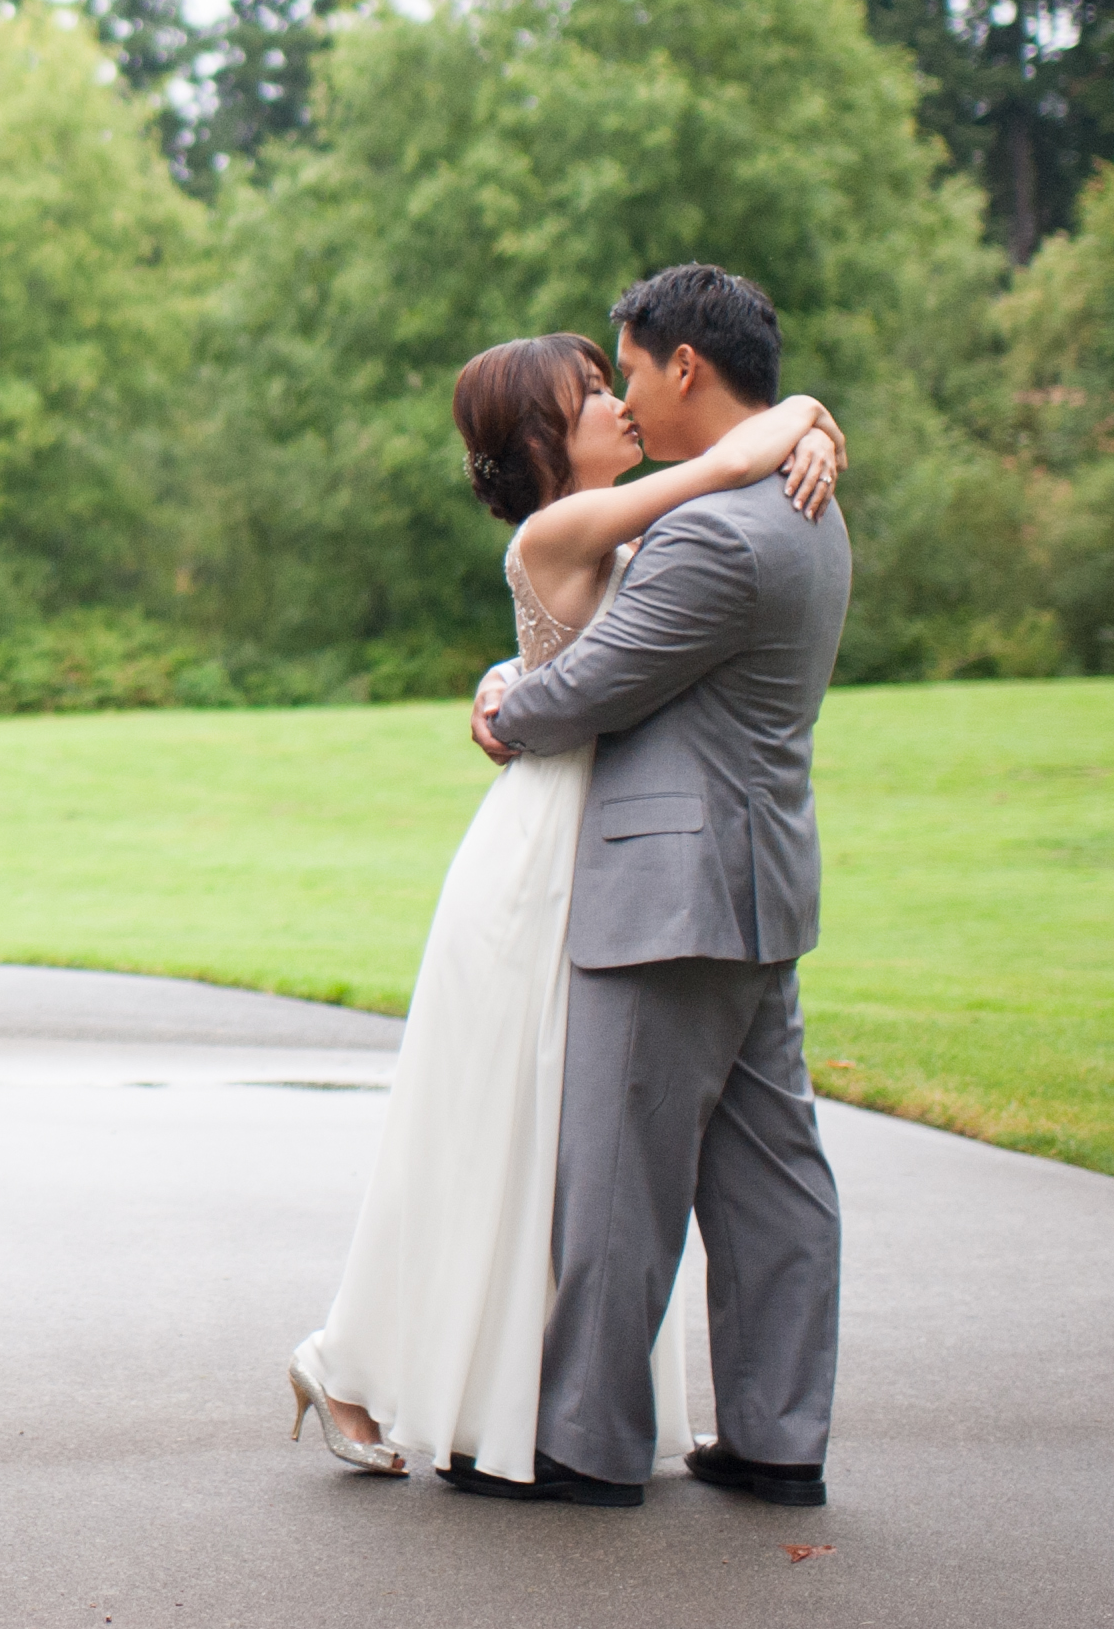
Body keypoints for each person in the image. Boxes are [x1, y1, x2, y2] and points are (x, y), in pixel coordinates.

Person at [285, 265, 845, 1501]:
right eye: (592, 388)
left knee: (610, 1176)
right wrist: (800, 415)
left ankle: (577, 1445)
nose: (621, 395)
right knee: (757, 1174)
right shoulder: (797, 508)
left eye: (625, 371)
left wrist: (501, 709)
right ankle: (772, 1436)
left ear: (682, 367)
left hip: (654, 884)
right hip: (723, 879)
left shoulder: (705, 521)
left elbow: (583, 692)